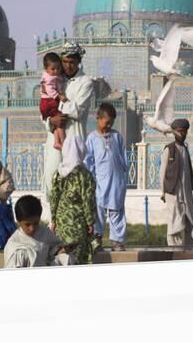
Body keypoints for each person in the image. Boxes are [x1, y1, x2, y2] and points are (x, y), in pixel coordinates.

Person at [42, 43, 94, 197]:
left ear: (78, 62)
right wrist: (52, 121)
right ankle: (53, 220)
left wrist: (58, 103)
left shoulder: (85, 82)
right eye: (64, 62)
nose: (67, 66)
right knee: (51, 180)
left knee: (73, 186)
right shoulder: (55, 78)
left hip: (73, 140)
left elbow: (77, 111)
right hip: (54, 139)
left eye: (71, 62)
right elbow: (43, 112)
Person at [84, 102, 129, 252]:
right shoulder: (92, 138)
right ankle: (97, 239)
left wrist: (123, 176)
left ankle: (117, 241)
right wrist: (91, 180)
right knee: (99, 212)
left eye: (111, 123)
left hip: (117, 183)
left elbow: (123, 159)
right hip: (100, 184)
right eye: (107, 122)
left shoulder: (117, 137)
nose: (109, 125)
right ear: (98, 118)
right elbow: (88, 161)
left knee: (117, 211)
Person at [50, 135, 97, 265]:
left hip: (62, 222)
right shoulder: (84, 175)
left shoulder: (58, 173)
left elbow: (54, 198)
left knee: (62, 257)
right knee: (78, 257)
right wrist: (90, 221)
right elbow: (87, 200)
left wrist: (53, 220)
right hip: (78, 223)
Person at [4, 195, 77, 268]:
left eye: (36, 223)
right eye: (27, 225)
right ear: (19, 222)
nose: (32, 228)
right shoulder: (14, 244)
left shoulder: (44, 232)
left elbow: (52, 250)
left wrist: (62, 250)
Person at [159, 118, 193, 247]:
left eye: (184, 132)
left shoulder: (185, 149)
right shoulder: (169, 150)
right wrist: (163, 192)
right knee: (174, 221)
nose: (182, 134)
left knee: (190, 219)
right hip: (172, 192)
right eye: (179, 131)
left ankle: (190, 247)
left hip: (186, 192)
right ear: (174, 132)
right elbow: (162, 172)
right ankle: (174, 248)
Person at [39, 52, 68, 150]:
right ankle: (63, 143)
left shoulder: (52, 75)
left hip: (46, 103)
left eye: (58, 68)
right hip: (49, 103)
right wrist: (59, 96)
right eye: (53, 69)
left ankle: (57, 142)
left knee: (56, 125)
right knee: (60, 123)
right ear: (46, 69)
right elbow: (50, 90)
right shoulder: (49, 78)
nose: (56, 71)